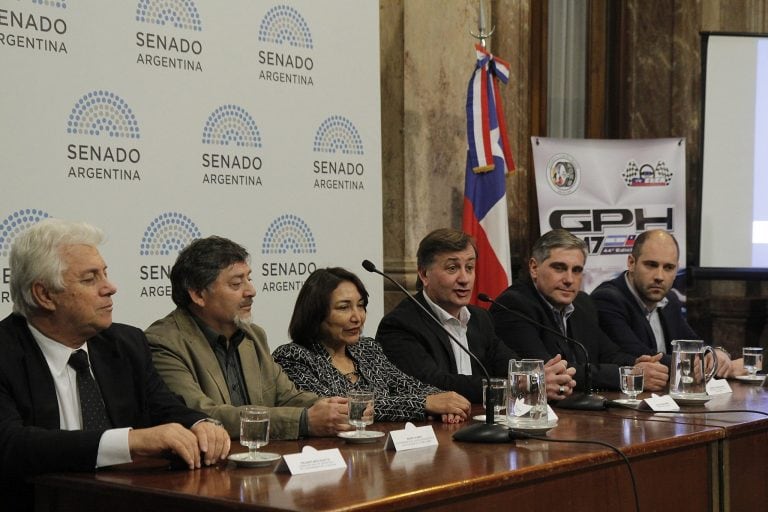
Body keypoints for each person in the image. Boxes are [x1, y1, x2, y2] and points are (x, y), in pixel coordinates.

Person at [0, 219, 230, 511]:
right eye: (90, 279)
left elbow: (163, 406)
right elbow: (12, 445)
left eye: (105, 273)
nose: (110, 287)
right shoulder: (6, 353)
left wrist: (201, 424)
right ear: (44, 295)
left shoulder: (125, 343)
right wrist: (129, 442)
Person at [145, 236, 351, 440]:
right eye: (236, 284)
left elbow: (287, 396)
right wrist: (303, 421)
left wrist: (336, 408)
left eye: (249, 279)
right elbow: (203, 415)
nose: (251, 291)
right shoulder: (164, 342)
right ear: (198, 295)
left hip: (260, 460)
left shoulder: (254, 335)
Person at [376, 228, 576, 404]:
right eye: (452, 268)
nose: (464, 279)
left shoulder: (480, 318)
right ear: (424, 274)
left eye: (469, 268)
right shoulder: (400, 325)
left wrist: (540, 376)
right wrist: (522, 386)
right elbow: (435, 384)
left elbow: (508, 364)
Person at [273, 267, 471, 424]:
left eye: (360, 305)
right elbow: (344, 409)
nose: (357, 317)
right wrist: (424, 404)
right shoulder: (293, 357)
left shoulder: (367, 349)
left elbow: (407, 385)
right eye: (344, 307)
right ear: (315, 314)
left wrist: (444, 403)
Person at [489, 229, 669, 392]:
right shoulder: (513, 306)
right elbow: (552, 374)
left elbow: (609, 353)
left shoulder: (583, 303)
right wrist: (629, 375)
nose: (569, 279)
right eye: (559, 268)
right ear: (534, 268)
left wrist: (639, 366)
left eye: (576, 270)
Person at [591, 229, 739, 377]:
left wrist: (718, 355)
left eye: (668, 267)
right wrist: (705, 364)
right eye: (651, 265)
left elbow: (692, 344)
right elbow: (640, 356)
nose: (659, 276)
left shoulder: (669, 300)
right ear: (631, 263)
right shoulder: (607, 299)